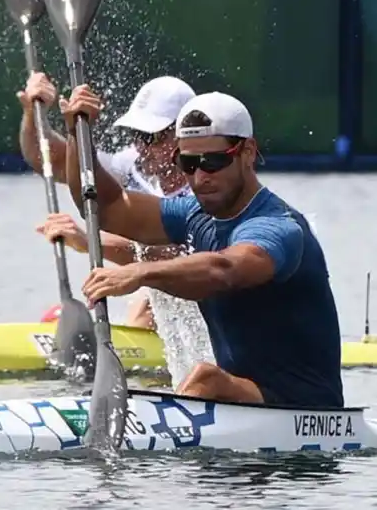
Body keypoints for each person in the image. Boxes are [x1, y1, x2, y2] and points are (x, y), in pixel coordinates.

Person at [38, 86, 343, 407]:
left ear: (248, 152)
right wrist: (77, 135)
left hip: (308, 409)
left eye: (212, 162)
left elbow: (224, 269)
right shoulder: (194, 215)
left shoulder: (278, 227)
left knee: (205, 379)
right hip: (245, 402)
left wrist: (140, 273)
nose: (199, 177)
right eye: (187, 162)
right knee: (207, 380)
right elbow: (108, 206)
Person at [19, 73, 197, 330]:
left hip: (201, 303)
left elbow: (174, 258)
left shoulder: (206, 190)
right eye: (138, 134)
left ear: (184, 136)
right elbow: (54, 160)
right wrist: (36, 116)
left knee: (149, 296)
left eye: (152, 137)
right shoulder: (132, 165)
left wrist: (88, 241)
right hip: (162, 301)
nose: (141, 147)